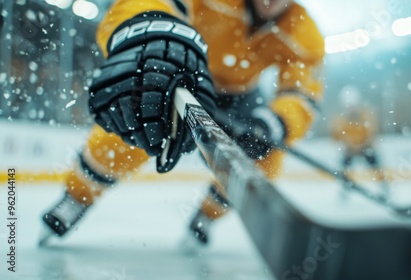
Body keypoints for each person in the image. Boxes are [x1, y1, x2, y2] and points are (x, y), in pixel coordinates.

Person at [40, 0, 325, 245]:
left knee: (261, 154)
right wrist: (147, 31)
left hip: (239, 97)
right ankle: (77, 197)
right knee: (137, 121)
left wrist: (275, 122)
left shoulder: (305, 33)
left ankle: (207, 215)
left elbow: (301, 94)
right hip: (185, 71)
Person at [331, 89, 388, 197]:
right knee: (344, 168)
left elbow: (372, 133)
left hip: (365, 148)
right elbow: (336, 137)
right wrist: (347, 145)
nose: (350, 108)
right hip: (350, 150)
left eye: (352, 105)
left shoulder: (366, 116)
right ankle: (345, 187)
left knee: (376, 167)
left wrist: (362, 145)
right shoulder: (340, 119)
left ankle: (384, 187)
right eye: (348, 106)